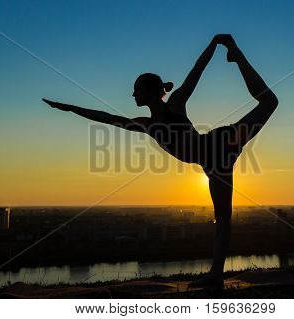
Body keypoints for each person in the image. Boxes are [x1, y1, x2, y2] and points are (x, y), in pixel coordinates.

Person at [43, 34, 278, 287]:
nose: (133, 93)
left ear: (150, 91)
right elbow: (106, 117)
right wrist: (68, 108)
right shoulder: (146, 125)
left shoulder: (175, 104)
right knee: (223, 219)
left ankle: (236, 53)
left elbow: (196, 70)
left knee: (269, 102)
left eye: (137, 88)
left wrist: (215, 43)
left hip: (221, 143)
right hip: (213, 165)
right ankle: (216, 275)